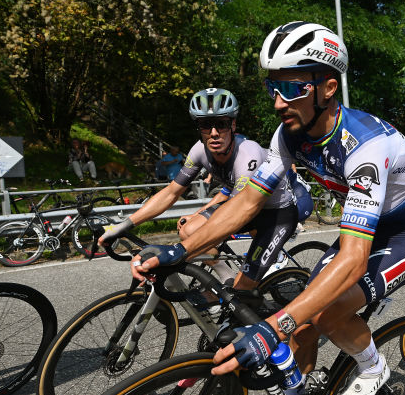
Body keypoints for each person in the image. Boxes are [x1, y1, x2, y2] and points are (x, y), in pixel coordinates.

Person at [134, 21, 405, 395]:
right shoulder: (290, 134)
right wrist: (179, 249)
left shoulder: (366, 148)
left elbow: (353, 260)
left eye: (293, 88)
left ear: (328, 88)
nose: (278, 102)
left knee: (325, 312)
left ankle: (372, 369)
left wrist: (272, 327)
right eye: (273, 88)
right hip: (368, 225)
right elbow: (245, 202)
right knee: (301, 325)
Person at [101, 87, 301, 290]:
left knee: (243, 290)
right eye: (206, 125)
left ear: (232, 125)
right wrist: (124, 225)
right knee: (189, 230)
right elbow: (171, 192)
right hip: (242, 207)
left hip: (276, 214)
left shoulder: (248, 154)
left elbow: (236, 212)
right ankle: (226, 277)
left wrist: (177, 252)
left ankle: (250, 293)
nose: (214, 133)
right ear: (198, 127)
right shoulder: (198, 150)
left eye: (221, 124)